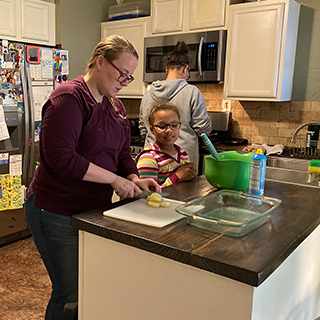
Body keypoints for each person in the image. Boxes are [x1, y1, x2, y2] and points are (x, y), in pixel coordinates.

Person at [25, 35, 161, 320]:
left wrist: (134, 178)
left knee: (87, 288)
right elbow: (61, 157)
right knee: (69, 294)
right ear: (100, 61)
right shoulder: (68, 99)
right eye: (121, 73)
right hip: (55, 210)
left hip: (91, 211)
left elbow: (123, 154)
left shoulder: (116, 106)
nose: (125, 81)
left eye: (130, 77)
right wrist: (113, 180)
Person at [139, 41, 212, 173]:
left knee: (152, 191)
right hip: (181, 162)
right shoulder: (192, 92)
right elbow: (202, 129)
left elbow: (143, 130)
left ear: (166, 69)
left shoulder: (148, 94)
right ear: (185, 69)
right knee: (181, 192)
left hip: (152, 161)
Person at [136, 100, 197, 187]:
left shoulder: (183, 154)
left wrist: (190, 173)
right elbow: (148, 194)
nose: (169, 130)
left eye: (174, 125)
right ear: (152, 130)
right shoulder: (149, 158)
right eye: (162, 126)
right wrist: (176, 177)